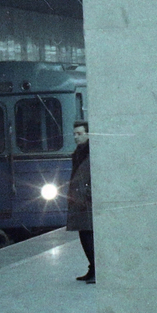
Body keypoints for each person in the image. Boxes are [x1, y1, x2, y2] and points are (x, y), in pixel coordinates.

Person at [67, 121, 94, 282]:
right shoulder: (78, 153)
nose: (76, 137)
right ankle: (92, 268)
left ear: (88, 134)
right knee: (84, 236)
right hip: (79, 201)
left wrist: (87, 195)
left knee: (89, 236)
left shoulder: (91, 153)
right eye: (75, 134)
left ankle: (96, 269)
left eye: (79, 134)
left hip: (87, 202)